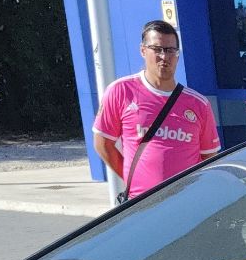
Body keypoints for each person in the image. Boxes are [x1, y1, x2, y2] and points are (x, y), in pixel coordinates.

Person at [93, 20, 220, 200]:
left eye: (170, 50)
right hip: (141, 203)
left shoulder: (198, 104)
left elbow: (209, 157)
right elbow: (102, 144)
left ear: (177, 54)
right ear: (143, 50)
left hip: (187, 202)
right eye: (157, 49)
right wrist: (132, 180)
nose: (164, 56)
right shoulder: (121, 91)